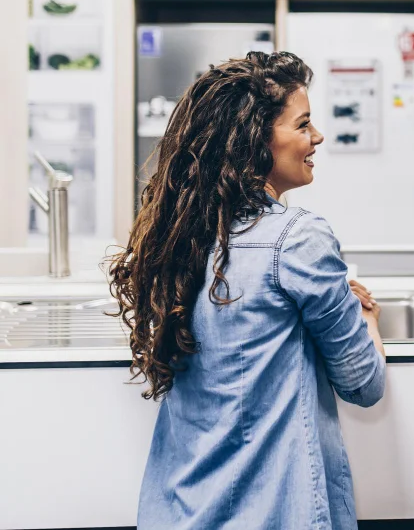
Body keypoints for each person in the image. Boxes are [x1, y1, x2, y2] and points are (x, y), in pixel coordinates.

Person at [108, 51, 385, 529]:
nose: (316, 137)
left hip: (177, 511)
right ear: (257, 140)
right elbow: (363, 384)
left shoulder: (178, 236)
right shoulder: (298, 238)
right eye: (302, 125)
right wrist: (367, 320)